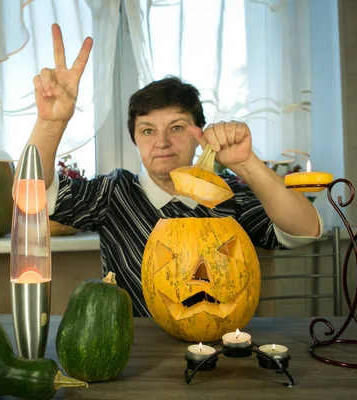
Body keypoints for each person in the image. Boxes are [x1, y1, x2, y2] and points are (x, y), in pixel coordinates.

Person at [26, 24, 323, 317]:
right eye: (147, 131)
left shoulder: (229, 195)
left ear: (199, 134)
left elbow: (304, 230)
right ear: (135, 140)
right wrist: (51, 124)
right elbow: (32, 194)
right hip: (135, 352)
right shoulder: (112, 193)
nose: (162, 142)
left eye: (177, 127)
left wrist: (247, 163)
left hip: (220, 349)